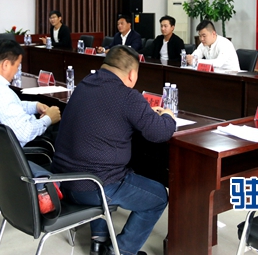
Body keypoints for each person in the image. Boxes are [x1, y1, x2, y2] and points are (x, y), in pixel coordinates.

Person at [52, 46, 176, 255]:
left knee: (100, 167)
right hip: (93, 187)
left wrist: (143, 114)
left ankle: (99, 241)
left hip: (62, 180)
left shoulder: (84, 84)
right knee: (158, 197)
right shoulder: (127, 96)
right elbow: (160, 132)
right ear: (132, 74)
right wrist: (167, 116)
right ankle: (122, 251)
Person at [0, 39, 61, 147]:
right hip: (18, 146)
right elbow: (25, 133)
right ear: (6, 64)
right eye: (17, 66)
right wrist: (48, 118)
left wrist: (35, 106)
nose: (17, 71)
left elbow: (7, 108)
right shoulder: (1, 93)